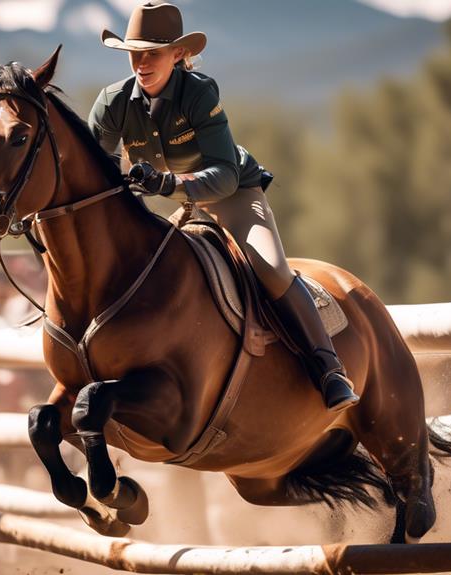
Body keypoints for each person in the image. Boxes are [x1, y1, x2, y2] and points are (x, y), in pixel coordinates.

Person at [88, 2, 357, 411]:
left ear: (177, 54)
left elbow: (225, 175)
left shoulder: (197, 92)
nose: (141, 63)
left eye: (152, 53)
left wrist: (164, 182)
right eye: (134, 53)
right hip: (179, 204)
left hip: (233, 194)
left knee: (269, 266)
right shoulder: (111, 102)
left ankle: (328, 369)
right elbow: (97, 174)